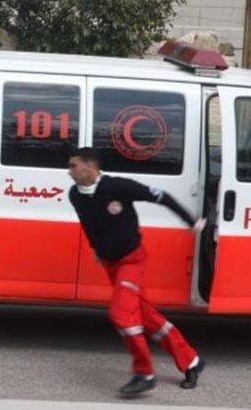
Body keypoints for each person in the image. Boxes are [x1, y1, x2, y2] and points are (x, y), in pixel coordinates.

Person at [67, 147, 206, 396]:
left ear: (90, 167)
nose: (69, 171)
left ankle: (144, 373)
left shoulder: (118, 186)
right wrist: (96, 249)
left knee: (121, 313)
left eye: (73, 166)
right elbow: (88, 224)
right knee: (147, 317)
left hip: (132, 261)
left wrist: (191, 221)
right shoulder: (75, 194)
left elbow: (160, 196)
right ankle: (191, 360)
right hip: (111, 265)